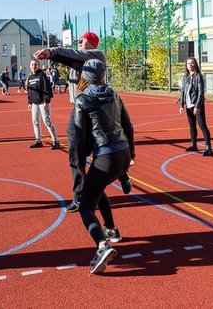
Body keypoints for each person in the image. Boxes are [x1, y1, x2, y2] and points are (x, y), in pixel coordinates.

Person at [34, 31, 132, 213]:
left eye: (82, 40)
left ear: (92, 44)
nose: (78, 42)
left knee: (91, 148)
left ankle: (91, 190)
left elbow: (73, 55)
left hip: (97, 106)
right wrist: (51, 55)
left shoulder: (97, 55)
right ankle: (110, 179)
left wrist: (52, 50)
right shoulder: (79, 59)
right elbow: (69, 58)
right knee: (82, 149)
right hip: (81, 107)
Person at [71, 59, 135, 274]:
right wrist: (132, 154)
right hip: (123, 153)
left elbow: (79, 137)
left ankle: (102, 245)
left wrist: (80, 163)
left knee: (86, 206)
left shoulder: (82, 100)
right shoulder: (114, 94)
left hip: (105, 155)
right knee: (97, 188)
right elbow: (128, 125)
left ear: (85, 77)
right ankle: (111, 230)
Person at [179, 57, 213, 156]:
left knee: (202, 125)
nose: (190, 65)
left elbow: (201, 92)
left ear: (196, 64)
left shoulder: (199, 76)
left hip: (197, 105)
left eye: (192, 63)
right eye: (188, 63)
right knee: (192, 126)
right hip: (188, 105)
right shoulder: (185, 77)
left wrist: (197, 106)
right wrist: (181, 105)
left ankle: (208, 148)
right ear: (186, 65)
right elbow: (183, 92)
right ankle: (193, 144)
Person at [26, 59, 60, 150]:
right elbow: (29, 91)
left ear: (38, 66)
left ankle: (55, 141)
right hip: (34, 103)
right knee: (35, 122)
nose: (34, 66)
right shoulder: (30, 77)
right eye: (32, 65)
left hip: (43, 103)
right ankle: (38, 140)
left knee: (47, 122)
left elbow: (47, 89)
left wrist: (46, 101)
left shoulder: (42, 75)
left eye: (35, 64)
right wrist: (29, 102)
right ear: (30, 66)